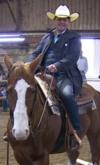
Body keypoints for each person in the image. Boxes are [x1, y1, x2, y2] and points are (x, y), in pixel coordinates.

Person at [29, 4, 82, 148]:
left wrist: (56, 66)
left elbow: (72, 57)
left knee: (66, 94)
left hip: (64, 75)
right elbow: (36, 53)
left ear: (68, 21)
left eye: (65, 20)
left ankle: (75, 131)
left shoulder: (74, 38)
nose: (62, 22)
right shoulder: (48, 37)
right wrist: (28, 65)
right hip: (43, 73)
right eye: (59, 19)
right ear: (55, 20)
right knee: (25, 92)